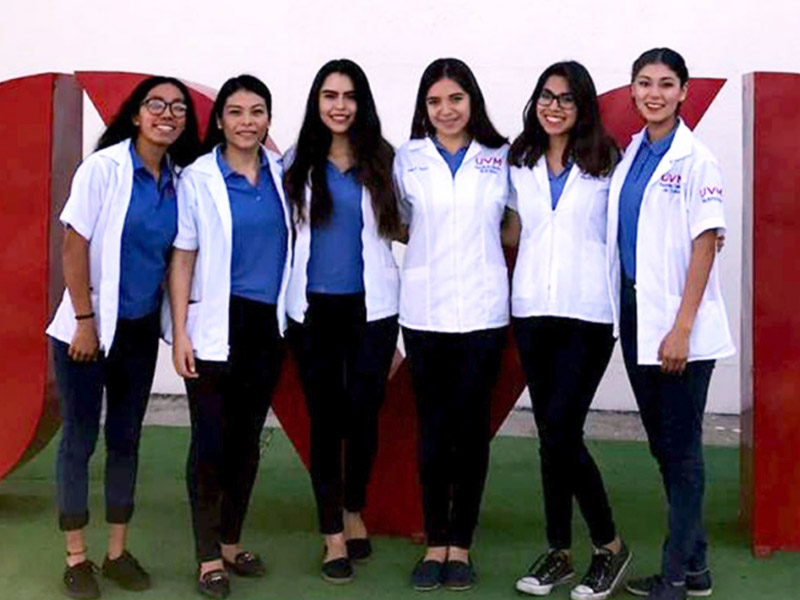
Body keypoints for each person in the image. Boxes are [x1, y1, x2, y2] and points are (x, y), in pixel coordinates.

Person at [46, 76, 200, 599]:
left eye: (178, 107)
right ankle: (76, 558)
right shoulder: (103, 169)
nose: (167, 113)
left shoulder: (179, 181)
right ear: (136, 114)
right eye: (156, 104)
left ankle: (116, 552)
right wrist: (85, 320)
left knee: (126, 439)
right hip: (85, 331)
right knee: (79, 439)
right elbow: (74, 245)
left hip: (137, 331)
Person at [607, 48, 735, 600]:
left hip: (679, 327)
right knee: (664, 447)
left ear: (684, 92)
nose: (653, 93)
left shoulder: (697, 159)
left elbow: (706, 242)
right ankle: (697, 565)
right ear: (633, 90)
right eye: (644, 83)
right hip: (638, 315)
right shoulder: (633, 152)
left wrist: (682, 328)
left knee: (682, 454)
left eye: (665, 84)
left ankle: (676, 576)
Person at [505, 61, 631, 600]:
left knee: (561, 430)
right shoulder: (520, 160)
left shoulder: (609, 161)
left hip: (588, 313)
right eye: (546, 96)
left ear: (583, 107)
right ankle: (559, 551)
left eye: (566, 98)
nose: (553, 107)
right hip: (533, 309)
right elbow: (511, 228)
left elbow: (635, 223)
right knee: (550, 436)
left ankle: (610, 546)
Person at [168, 74, 292, 599]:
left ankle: (230, 541)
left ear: (268, 120)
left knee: (247, 440)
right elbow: (183, 257)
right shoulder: (198, 177)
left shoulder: (282, 174)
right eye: (236, 112)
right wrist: (180, 332)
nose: (247, 121)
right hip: (215, 324)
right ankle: (206, 557)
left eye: (257, 111)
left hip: (266, 325)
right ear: (219, 120)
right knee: (210, 441)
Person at [393, 57, 510, 592]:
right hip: (425, 313)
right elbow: (398, 223)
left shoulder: (500, 157)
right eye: (435, 101)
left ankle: (460, 544)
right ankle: (434, 542)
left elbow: (515, 225)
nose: (446, 110)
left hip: (484, 314)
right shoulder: (407, 159)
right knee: (434, 431)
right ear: (424, 107)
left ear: (472, 101)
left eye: (455, 99)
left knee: (472, 433)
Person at [283, 58, 401, 584]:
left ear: (362, 103)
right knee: (326, 421)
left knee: (364, 416)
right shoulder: (296, 162)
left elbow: (409, 224)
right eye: (329, 96)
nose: (340, 105)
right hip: (313, 311)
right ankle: (332, 531)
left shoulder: (384, 159)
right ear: (317, 103)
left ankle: (354, 507)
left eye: (349, 96)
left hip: (372, 310)